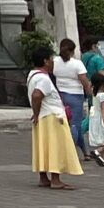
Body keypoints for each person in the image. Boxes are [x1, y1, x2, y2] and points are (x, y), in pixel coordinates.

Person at [27, 51, 80, 190]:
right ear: (45, 61)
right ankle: (56, 179)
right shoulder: (43, 78)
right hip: (52, 116)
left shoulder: (32, 75)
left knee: (43, 146)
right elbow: (37, 95)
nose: (53, 62)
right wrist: (36, 112)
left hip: (44, 115)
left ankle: (43, 177)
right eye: (51, 59)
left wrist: (36, 113)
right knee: (56, 146)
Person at [52, 38, 91, 153]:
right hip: (75, 96)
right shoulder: (77, 64)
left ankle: (85, 152)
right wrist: (90, 94)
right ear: (73, 51)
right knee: (75, 125)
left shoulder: (55, 61)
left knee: (64, 123)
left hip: (61, 95)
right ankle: (70, 150)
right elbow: (84, 81)